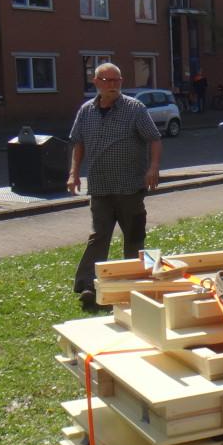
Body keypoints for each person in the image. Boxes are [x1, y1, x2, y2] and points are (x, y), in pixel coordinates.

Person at [68, 63, 162, 311]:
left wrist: (153, 167)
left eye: (117, 81)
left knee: (134, 236)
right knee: (99, 237)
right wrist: (73, 173)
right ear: (96, 82)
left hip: (130, 187)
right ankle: (88, 285)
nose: (112, 85)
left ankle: (137, 283)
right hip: (100, 187)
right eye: (107, 80)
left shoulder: (135, 109)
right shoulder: (86, 111)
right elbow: (78, 144)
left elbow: (154, 138)